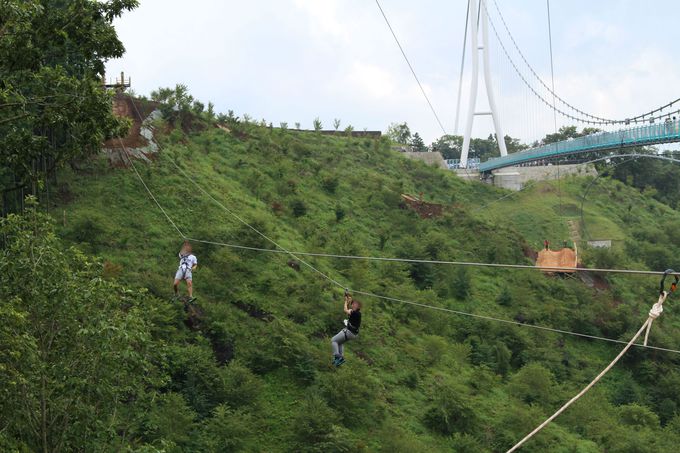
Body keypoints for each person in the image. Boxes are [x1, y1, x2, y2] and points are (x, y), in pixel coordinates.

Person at [331, 290, 362, 367]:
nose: (353, 305)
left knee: (333, 340)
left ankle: (337, 356)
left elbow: (345, 310)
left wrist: (345, 301)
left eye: (355, 304)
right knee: (340, 342)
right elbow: (350, 308)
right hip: (353, 334)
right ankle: (340, 359)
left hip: (349, 332)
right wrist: (348, 299)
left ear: (357, 307)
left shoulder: (355, 313)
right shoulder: (356, 312)